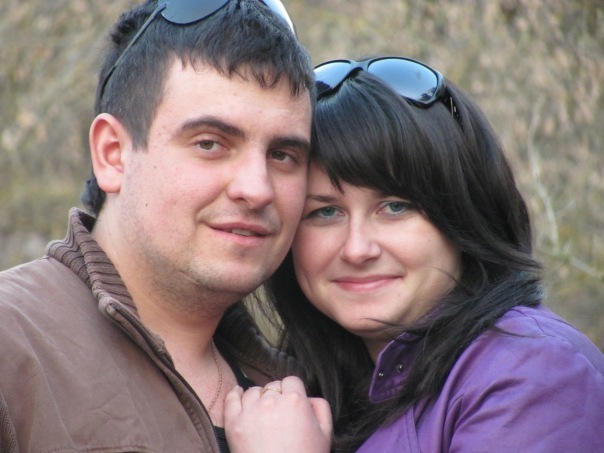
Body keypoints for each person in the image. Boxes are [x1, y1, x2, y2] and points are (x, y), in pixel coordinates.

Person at [224, 56, 604, 452]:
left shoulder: (532, 372)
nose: (357, 249)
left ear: (464, 215)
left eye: (394, 207)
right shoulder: (317, 389)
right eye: (325, 212)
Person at [0, 0, 332, 451]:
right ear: (113, 154)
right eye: (210, 143)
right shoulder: (13, 352)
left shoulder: (311, 393)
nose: (257, 189)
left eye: (283, 155)